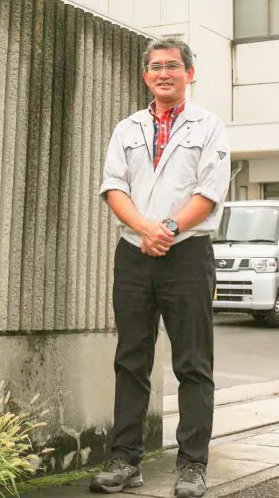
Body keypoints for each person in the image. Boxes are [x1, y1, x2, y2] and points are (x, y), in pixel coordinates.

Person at [90, 37, 231, 498]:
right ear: (146, 75)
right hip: (134, 252)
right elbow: (114, 186)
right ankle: (124, 460)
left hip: (187, 252)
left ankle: (192, 466)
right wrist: (145, 230)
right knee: (131, 359)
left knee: (193, 362)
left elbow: (209, 190)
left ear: (189, 73)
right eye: (155, 67)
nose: (163, 73)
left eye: (172, 66)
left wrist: (166, 229)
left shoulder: (209, 126)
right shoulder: (127, 128)